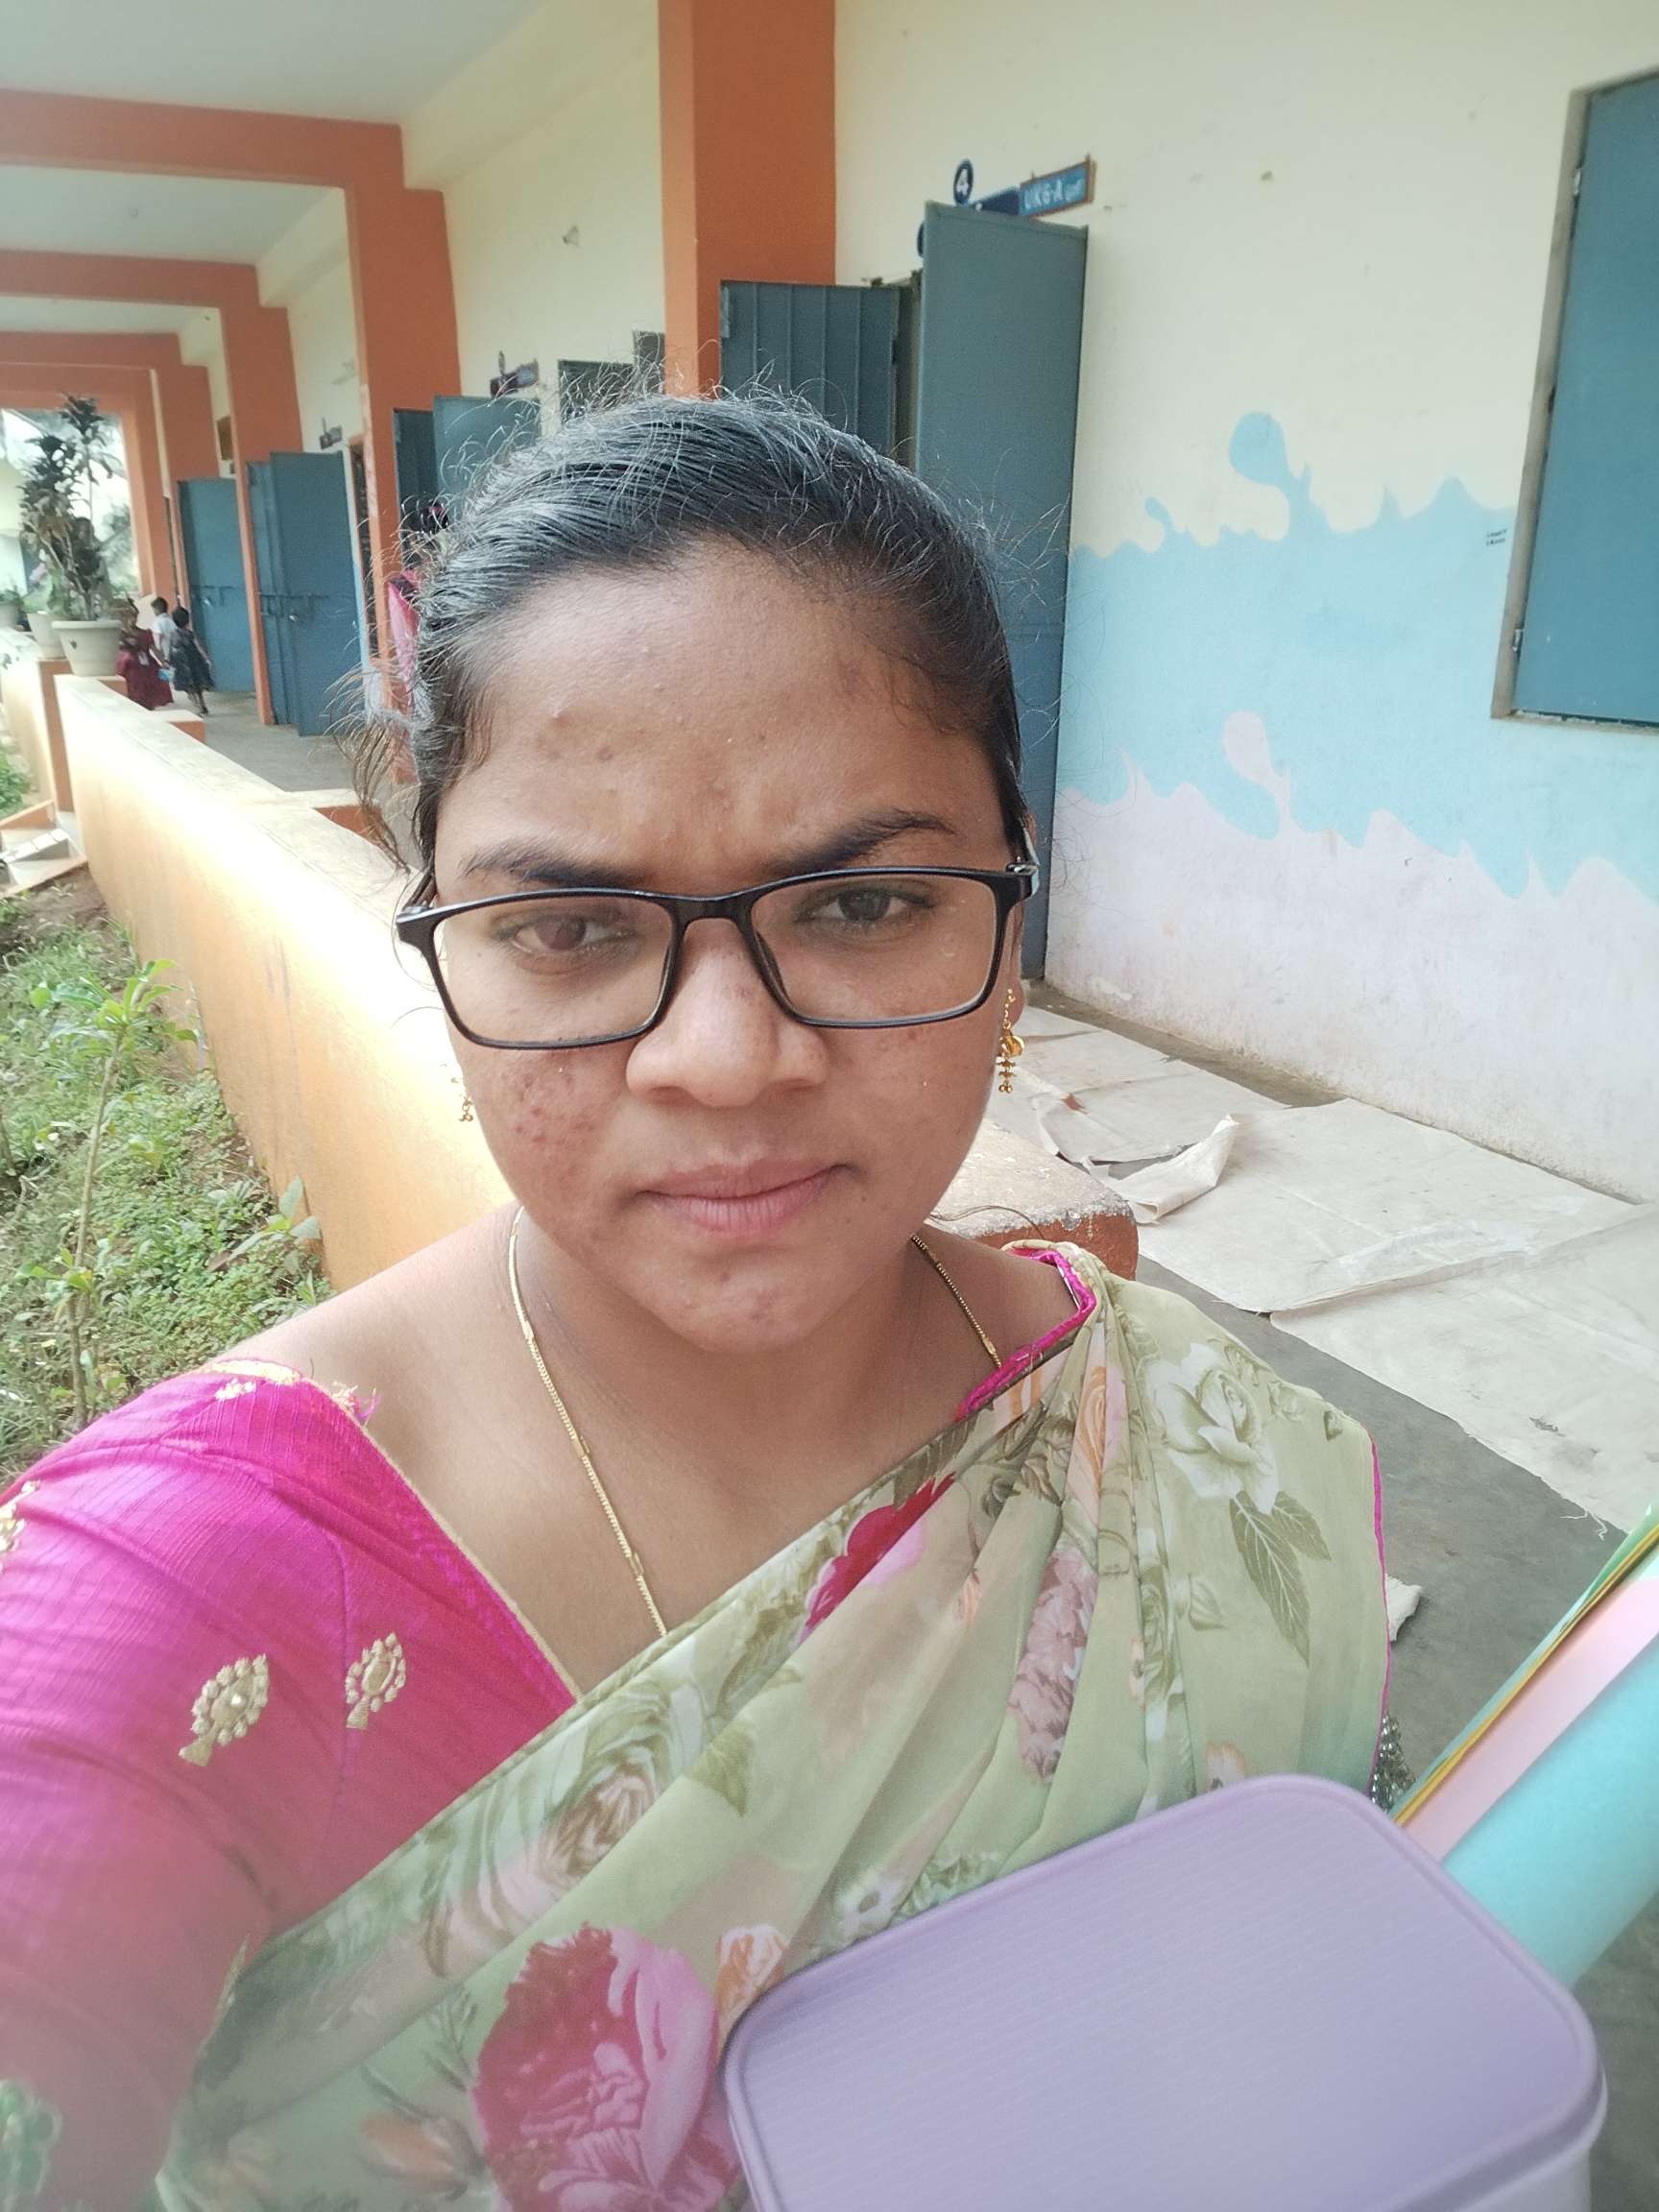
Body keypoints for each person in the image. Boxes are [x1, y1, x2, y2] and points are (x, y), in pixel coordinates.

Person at [0, 397, 1397, 2209]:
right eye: (572, 929)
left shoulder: (1207, 1448)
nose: (726, 1059)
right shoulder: (178, 1603)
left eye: (865, 903)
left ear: (1011, 917)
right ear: (441, 939)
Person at [114, 602, 173, 711]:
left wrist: (164, 662)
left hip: (147, 668)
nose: (132, 619)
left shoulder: (145, 633)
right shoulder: (119, 634)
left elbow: (155, 649)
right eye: (129, 616)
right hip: (129, 668)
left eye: (134, 616)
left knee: (149, 694)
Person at [168, 602, 214, 716]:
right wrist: (206, 658)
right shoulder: (190, 633)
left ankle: (197, 706)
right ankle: (202, 704)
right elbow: (199, 646)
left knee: (188, 687)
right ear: (187, 620)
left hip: (181, 663)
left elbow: (171, 649)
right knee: (197, 685)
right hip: (194, 661)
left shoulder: (173, 634)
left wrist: (169, 661)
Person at [149, 593, 178, 672]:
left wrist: (161, 660)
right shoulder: (171, 621)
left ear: (156, 609)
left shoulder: (157, 622)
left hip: (165, 659)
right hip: (175, 657)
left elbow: (157, 643)